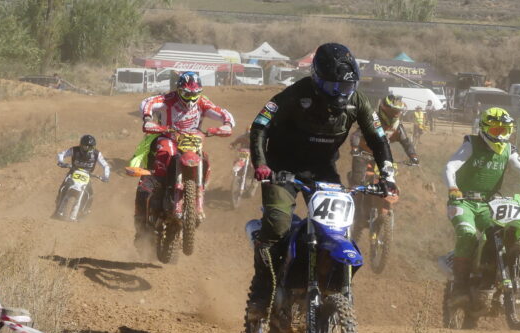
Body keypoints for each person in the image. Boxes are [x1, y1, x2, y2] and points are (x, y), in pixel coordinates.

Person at [247, 42, 396, 317]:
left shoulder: (358, 101)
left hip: (322, 170)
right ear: (317, 79)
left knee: (337, 228)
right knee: (277, 226)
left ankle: (327, 284)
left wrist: (388, 174)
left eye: (347, 86)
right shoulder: (296, 94)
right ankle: (261, 292)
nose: (341, 93)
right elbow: (260, 125)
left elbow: (378, 138)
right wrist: (262, 164)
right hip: (283, 167)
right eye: (334, 86)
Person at [445, 107, 520, 304]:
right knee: (468, 234)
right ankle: (459, 287)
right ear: (485, 129)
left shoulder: (509, 150)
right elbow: (451, 166)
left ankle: (491, 280)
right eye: (496, 130)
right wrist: (453, 187)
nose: (501, 135)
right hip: (463, 201)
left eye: (505, 130)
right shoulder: (471, 144)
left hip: (489, 204)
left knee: (501, 234)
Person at [131, 71, 235, 240]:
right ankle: (158, 185)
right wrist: (148, 118)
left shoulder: (202, 102)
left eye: (195, 94)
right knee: (164, 154)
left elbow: (222, 112)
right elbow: (147, 102)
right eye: (187, 94)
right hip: (169, 137)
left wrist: (227, 124)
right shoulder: (168, 99)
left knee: (205, 159)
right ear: (179, 90)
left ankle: (198, 196)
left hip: (192, 142)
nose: (191, 98)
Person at [349, 94, 418, 186]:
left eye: (398, 111)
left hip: (382, 156)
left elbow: (406, 142)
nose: (395, 114)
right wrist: (355, 148)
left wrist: (413, 156)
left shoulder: (397, 126)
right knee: (358, 181)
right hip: (363, 154)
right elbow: (356, 135)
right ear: (384, 109)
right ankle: (353, 185)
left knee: (388, 179)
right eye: (393, 111)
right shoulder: (372, 120)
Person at [55, 135, 110, 217]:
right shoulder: (74, 150)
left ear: (93, 147)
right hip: (73, 172)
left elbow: (105, 165)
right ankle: (58, 202)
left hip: (87, 175)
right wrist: (61, 161)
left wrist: (106, 176)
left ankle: (85, 211)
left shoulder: (97, 154)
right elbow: (61, 154)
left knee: (90, 193)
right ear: (81, 145)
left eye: (90, 147)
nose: (87, 148)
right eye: (85, 146)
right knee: (63, 187)